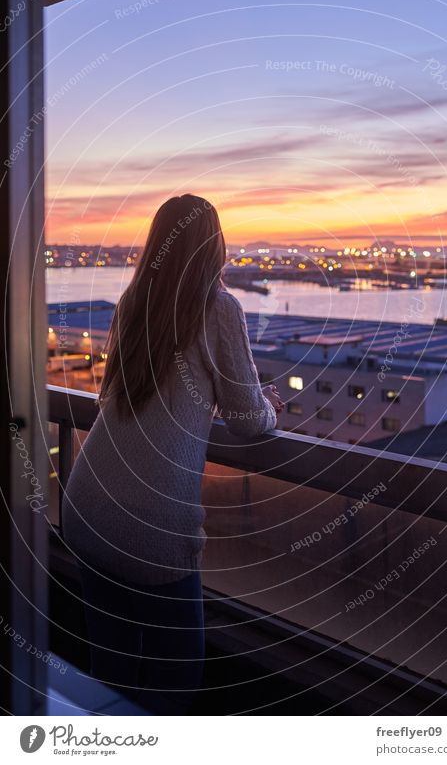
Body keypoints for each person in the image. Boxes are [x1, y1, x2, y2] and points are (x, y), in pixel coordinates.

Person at [62, 194, 284, 715]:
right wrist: (269, 406)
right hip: (150, 529)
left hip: (88, 507)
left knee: (111, 669)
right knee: (177, 677)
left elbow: (132, 397)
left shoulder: (133, 301)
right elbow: (249, 420)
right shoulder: (219, 307)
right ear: (215, 245)